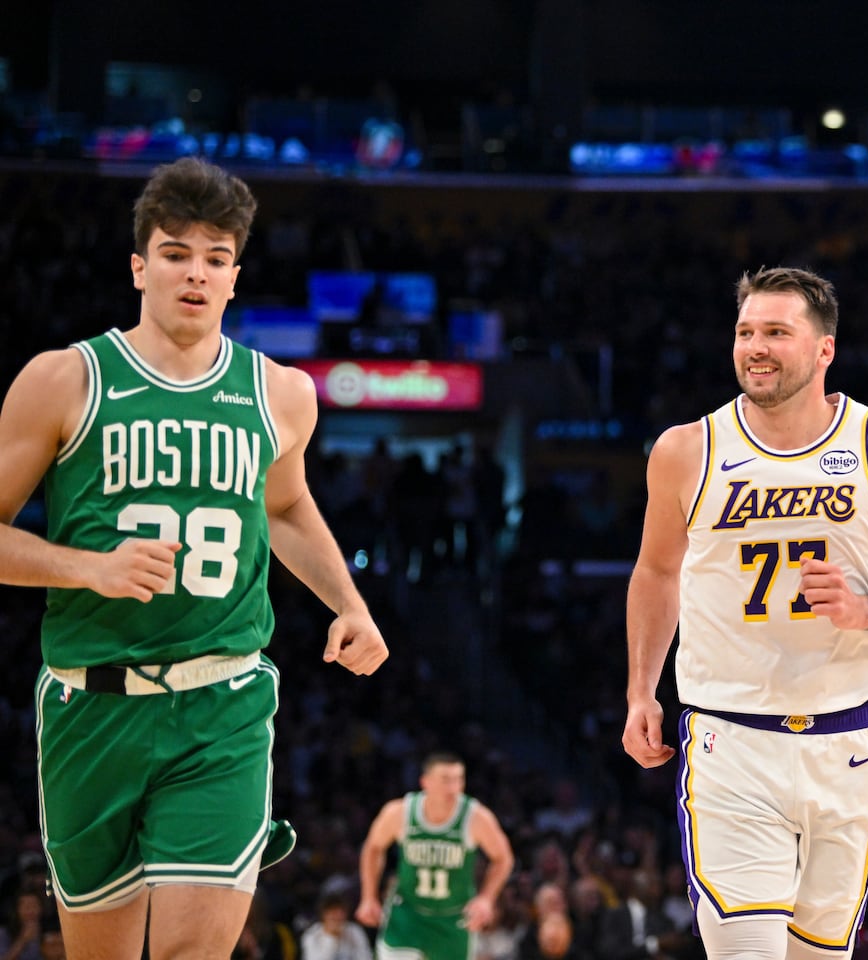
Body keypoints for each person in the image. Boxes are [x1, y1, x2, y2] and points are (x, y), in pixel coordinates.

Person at [0, 157, 389, 959]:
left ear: (235, 277)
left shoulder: (280, 392)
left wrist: (350, 604)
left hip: (222, 702)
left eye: (216, 258)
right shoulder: (65, 379)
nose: (196, 273)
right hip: (89, 704)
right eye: (177, 253)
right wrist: (89, 568)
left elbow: (283, 508)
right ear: (139, 265)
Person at [622, 266, 868, 960]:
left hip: (851, 744)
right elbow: (657, 572)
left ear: (823, 349)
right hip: (731, 739)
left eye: (778, 332)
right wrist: (639, 690)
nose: (757, 347)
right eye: (747, 331)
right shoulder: (686, 451)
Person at [355, 751, 516, 960]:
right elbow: (373, 848)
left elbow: (503, 858)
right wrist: (368, 896)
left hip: (454, 918)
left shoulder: (476, 817)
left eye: (459, 779)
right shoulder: (400, 812)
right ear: (425, 782)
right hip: (408, 913)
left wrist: (486, 898)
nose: (453, 788)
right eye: (445, 780)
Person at [299, 893, 372, 960]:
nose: (337, 916)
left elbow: (365, 957)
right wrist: (332, 937)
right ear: (324, 914)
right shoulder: (312, 935)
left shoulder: (355, 930)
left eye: (341, 912)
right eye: (333, 913)